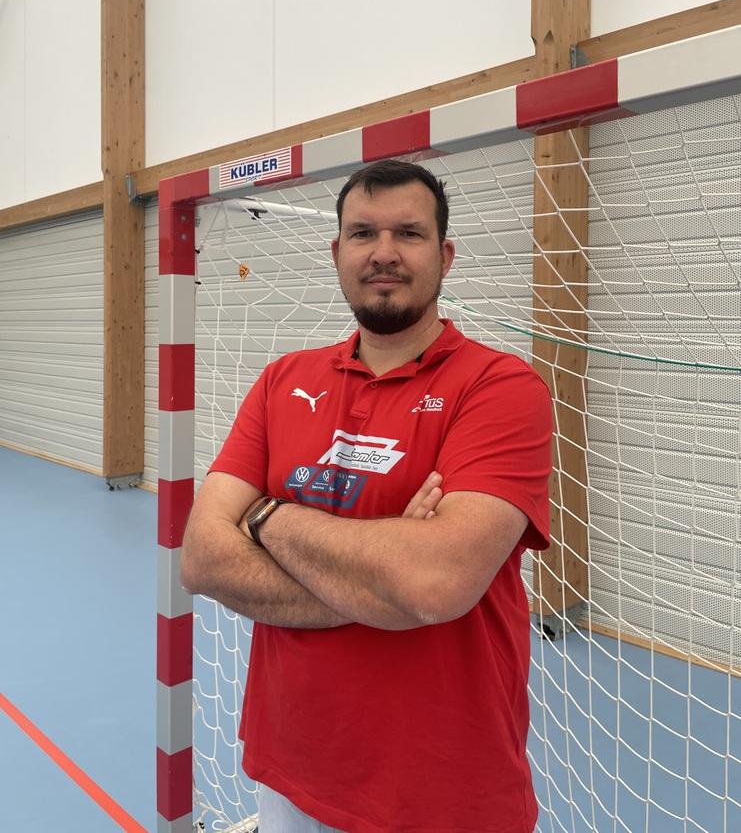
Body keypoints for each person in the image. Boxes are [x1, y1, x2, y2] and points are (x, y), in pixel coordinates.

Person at [181, 158, 553, 833]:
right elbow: (203, 559)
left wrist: (267, 517)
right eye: (362, 233)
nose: (384, 253)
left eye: (407, 233)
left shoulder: (499, 389)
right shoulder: (281, 382)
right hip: (289, 766)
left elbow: (433, 581)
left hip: (440, 788)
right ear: (337, 252)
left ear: (444, 256)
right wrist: (382, 581)